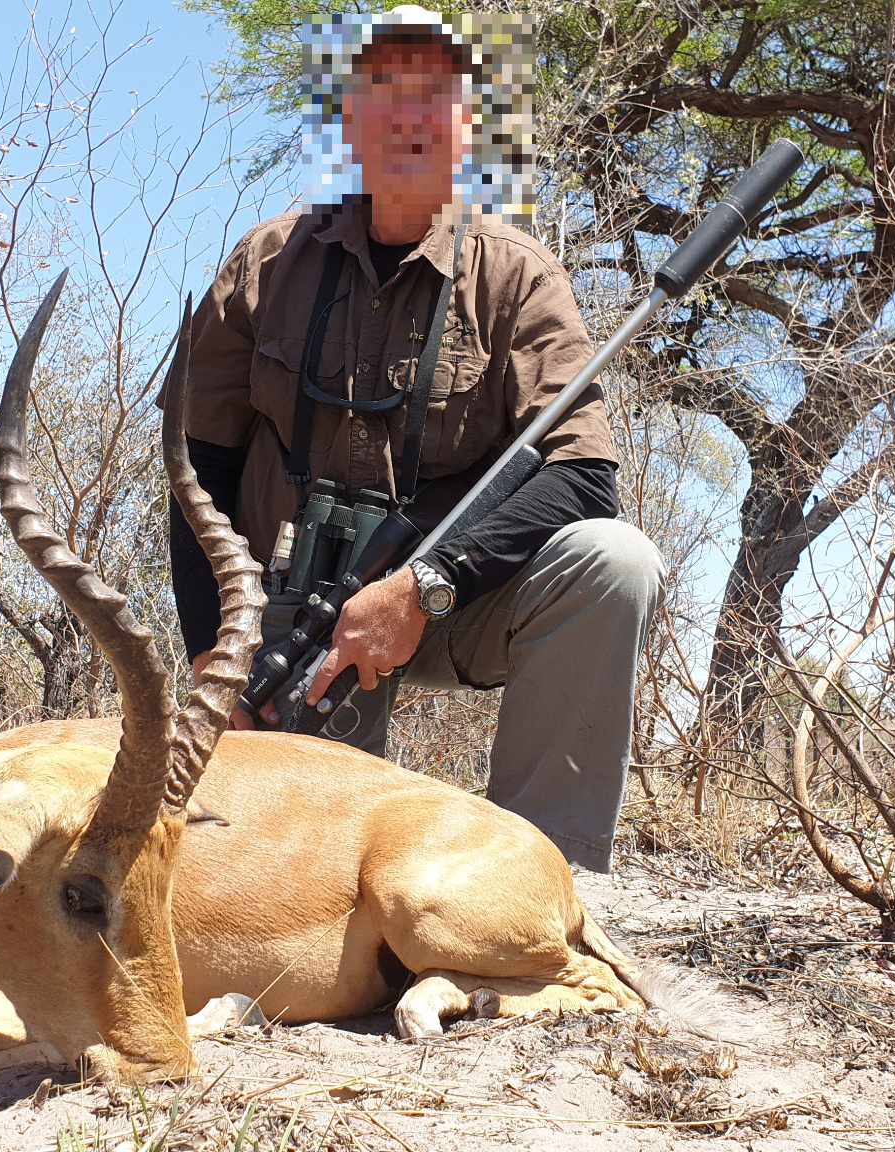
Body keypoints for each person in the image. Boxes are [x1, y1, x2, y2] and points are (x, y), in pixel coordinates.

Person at [165, 6, 664, 874]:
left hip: (440, 607)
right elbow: (196, 465)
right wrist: (215, 650)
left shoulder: (518, 275)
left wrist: (425, 586)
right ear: (349, 116)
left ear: (468, 126)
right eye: (385, 93)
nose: (410, 118)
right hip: (292, 626)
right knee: (280, 868)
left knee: (613, 561)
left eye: (436, 97)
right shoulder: (264, 263)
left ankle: (546, 875)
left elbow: (585, 476)